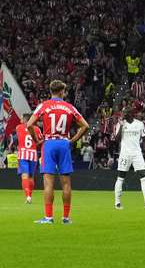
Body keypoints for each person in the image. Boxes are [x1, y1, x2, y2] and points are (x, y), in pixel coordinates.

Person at [25, 79, 89, 225]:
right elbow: (85, 126)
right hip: (64, 143)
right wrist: (72, 140)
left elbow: (29, 124)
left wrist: (37, 140)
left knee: (48, 183)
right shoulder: (69, 107)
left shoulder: (44, 106)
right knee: (66, 184)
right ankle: (66, 218)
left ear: (51, 92)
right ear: (62, 92)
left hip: (49, 144)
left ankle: (48, 217)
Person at [113, 107, 145, 211]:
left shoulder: (139, 124)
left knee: (144, 175)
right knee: (121, 177)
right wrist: (121, 126)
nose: (123, 114)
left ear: (130, 113)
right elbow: (117, 139)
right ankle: (117, 203)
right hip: (125, 154)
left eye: (125, 112)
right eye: (122, 112)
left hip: (137, 153)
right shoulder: (121, 124)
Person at [15, 113, 42, 204]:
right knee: (31, 177)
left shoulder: (19, 127)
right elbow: (40, 141)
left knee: (24, 176)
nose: (20, 120)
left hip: (23, 153)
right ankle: (30, 195)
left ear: (25, 120)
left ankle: (27, 196)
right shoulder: (37, 129)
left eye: (22, 118)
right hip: (33, 154)